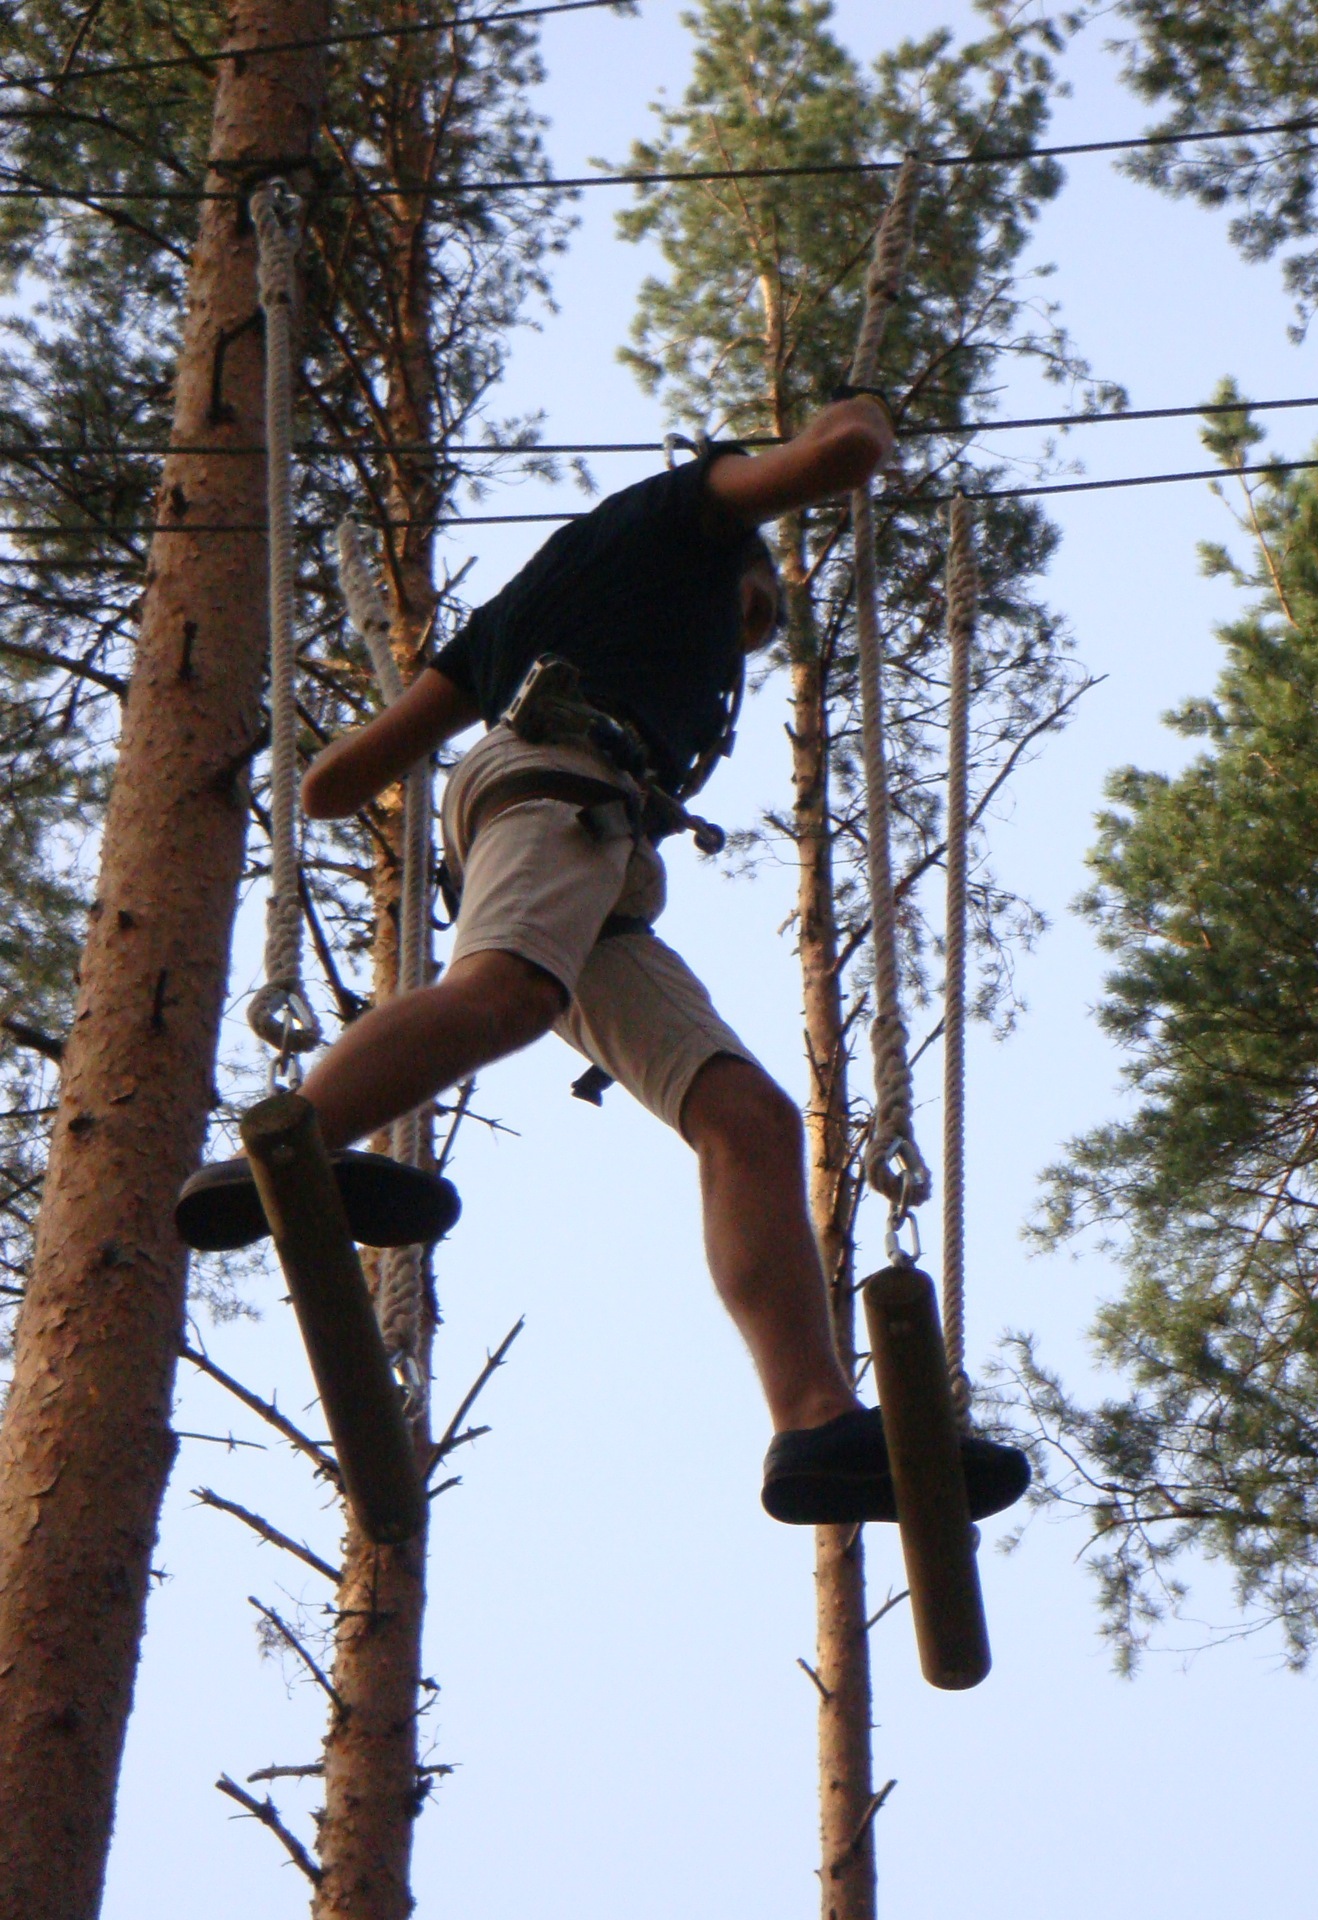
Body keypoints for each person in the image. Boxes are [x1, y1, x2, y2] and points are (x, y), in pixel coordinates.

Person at [174, 391, 1029, 1529]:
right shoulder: (685, 514)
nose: (747, 639)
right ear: (731, 550)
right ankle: (289, 1148)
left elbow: (336, 785)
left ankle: (814, 1424)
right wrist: (862, 414)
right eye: (754, 614)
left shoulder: (516, 612)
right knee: (508, 994)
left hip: (583, 829)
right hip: (560, 780)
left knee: (748, 1121)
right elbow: (844, 453)